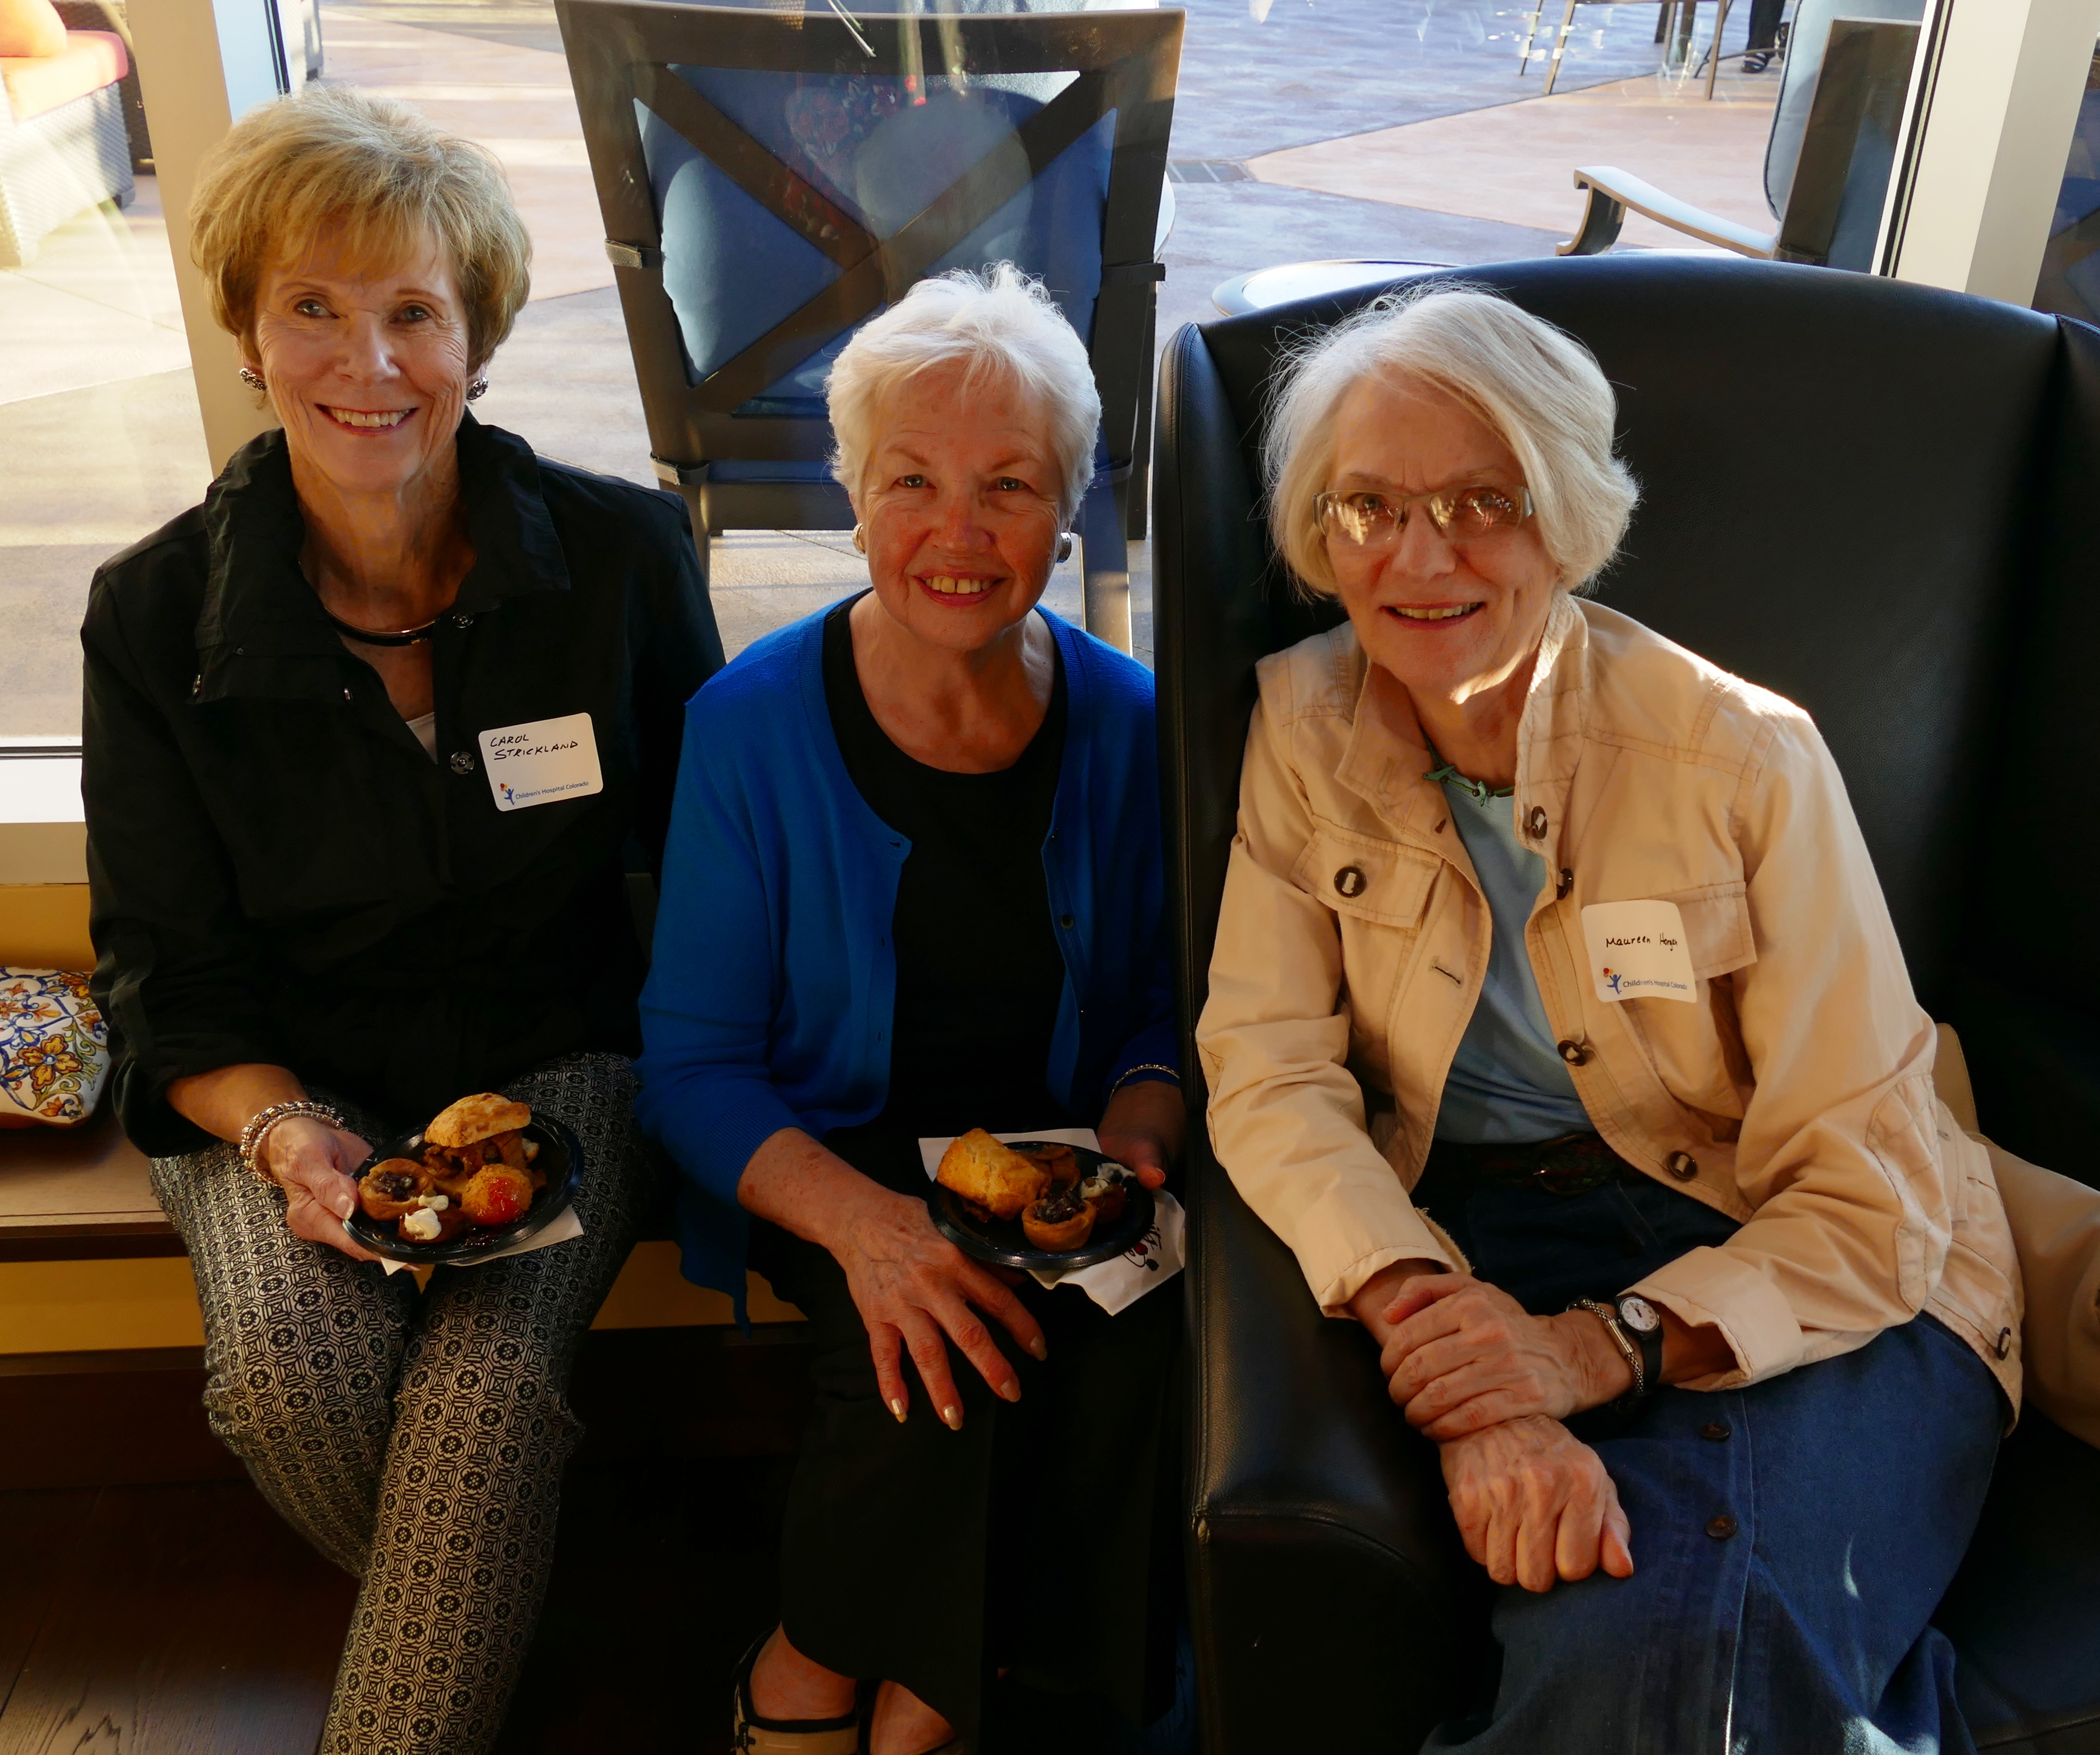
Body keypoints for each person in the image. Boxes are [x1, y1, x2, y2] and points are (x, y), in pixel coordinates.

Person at [1194, 284, 2023, 1750]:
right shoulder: (1302, 727)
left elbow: (1872, 1187)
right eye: (1366, 505)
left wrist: (1593, 1348)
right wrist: (1445, 1339)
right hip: (1485, 1235)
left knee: (1668, 1628)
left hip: (1823, 1267)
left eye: (1480, 501)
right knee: (1673, 1639)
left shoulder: (1741, 759)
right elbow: (1267, 1072)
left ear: (1569, 519)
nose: (1417, 555)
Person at [80, 86, 720, 1755]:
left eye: (413, 312)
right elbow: (169, 974)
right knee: (291, 1379)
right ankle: (488, 1603)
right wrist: (288, 1135)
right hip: (274, 1081)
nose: (368, 363)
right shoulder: (151, 614)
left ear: (479, 338)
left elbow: (705, 879)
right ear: (244, 330)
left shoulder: (623, 559)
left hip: (557, 1056)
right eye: (314, 308)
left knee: (489, 1393)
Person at [637, 265, 1183, 1755]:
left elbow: (1163, 994)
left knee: (1139, 1347)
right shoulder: (746, 726)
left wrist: (1139, 1110)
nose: (958, 532)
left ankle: (913, 1693)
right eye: (911, 483)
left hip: (1060, 1174)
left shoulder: (1130, 723)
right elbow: (689, 1068)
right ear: (851, 497)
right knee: (929, 1353)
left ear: (1066, 507)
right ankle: (834, 1666)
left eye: (1008, 485)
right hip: (835, 1170)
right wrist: (875, 1228)